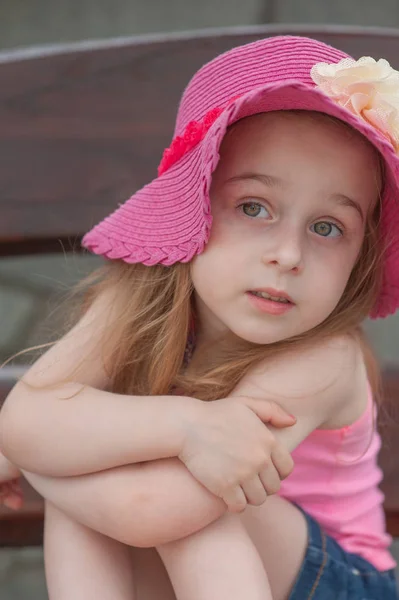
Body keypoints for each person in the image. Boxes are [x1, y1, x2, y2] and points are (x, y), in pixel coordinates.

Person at [0, 34, 398, 600]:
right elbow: (30, 418)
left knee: (179, 499)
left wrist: (38, 461)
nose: (287, 255)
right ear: (192, 208)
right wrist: (181, 429)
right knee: (92, 471)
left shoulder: (321, 359)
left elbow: (153, 508)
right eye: (253, 207)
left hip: (336, 582)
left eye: (327, 227)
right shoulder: (137, 306)